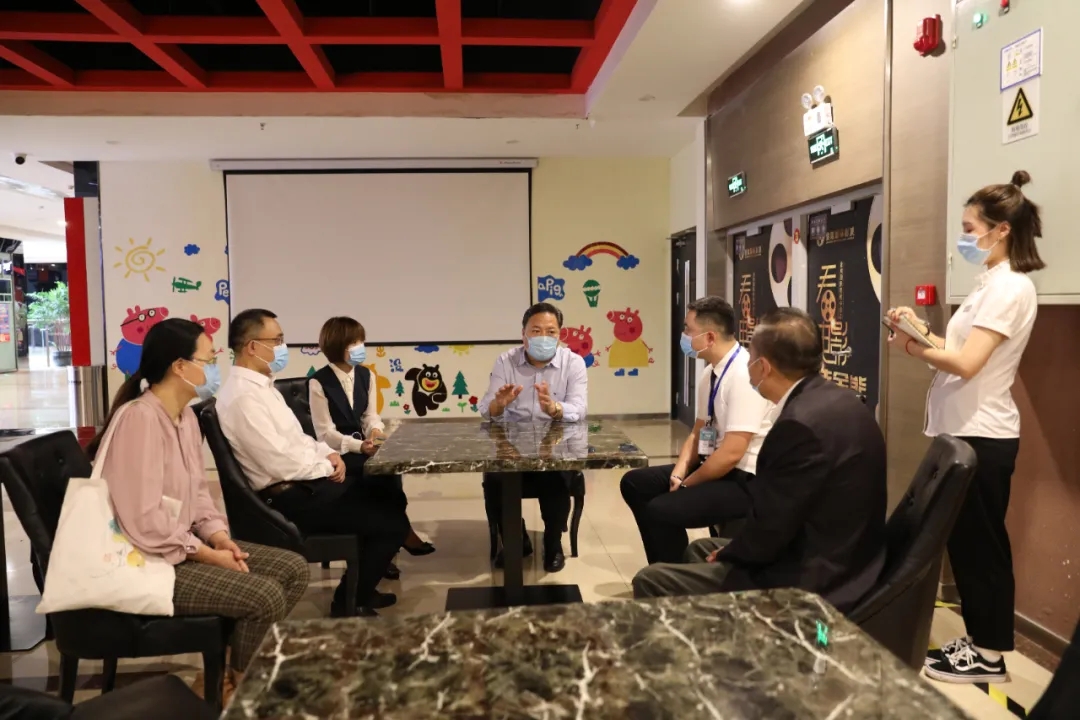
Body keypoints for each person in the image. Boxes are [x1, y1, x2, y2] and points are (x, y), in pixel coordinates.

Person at [85, 318, 309, 701]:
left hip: (175, 547)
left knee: (293, 569)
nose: (213, 369)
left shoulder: (186, 417)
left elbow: (198, 495)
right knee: (265, 596)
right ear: (179, 366)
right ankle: (238, 685)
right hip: (144, 560)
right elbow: (145, 521)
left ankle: (223, 673)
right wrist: (206, 554)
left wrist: (219, 538)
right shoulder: (140, 420)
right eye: (207, 360)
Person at [888, 171, 1043, 684]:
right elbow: (955, 350)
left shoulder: (1011, 288)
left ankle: (990, 655)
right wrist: (918, 330)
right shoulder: (990, 285)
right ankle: (979, 641)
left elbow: (968, 363)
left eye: (969, 228)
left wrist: (914, 349)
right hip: (963, 430)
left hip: (984, 434)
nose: (963, 238)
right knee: (965, 541)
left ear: (1001, 230)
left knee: (981, 547)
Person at [632, 308, 887, 615]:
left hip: (815, 576)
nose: (747, 363)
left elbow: (771, 527)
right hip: (845, 553)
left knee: (652, 580)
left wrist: (732, 554)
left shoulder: (798, 426)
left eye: (751, 356)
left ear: (763, 366)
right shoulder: (838, 400)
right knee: (700, 549)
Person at [215, 309, 407, 617]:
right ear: (252, 346)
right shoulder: (243, 397)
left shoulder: (262, 388)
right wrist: (329, 465)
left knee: (388, 495)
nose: (282, 347)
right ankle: (348, 601)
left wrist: (327, 454)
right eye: (277, 340)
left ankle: (359, 591)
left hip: (304, 483)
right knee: (391, 523)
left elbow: (299, 439)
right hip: (289, 498)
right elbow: (278, 462)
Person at [620, 296, 773, 564]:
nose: (684, 336)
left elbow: (732, 453)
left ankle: (676, 574)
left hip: (744, 478)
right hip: (714, 464)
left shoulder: (743, 374)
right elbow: (698, 430)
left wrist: (688, 484)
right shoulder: (710, 373)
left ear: (710, 337)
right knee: (635, 483)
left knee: (660, 509)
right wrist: (679, 471)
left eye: (688, 330)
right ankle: (672, 569)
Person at [308, 316, 435, 581]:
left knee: (389, 472)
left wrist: (375, 432)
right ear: (339, 345)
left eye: (361, 341)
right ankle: (398, 537)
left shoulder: (366, 375)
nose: (361, 347)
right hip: (340, 453)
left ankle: (388, 546)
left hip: (365, 447)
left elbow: (370, 416)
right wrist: (358, 446)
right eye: (355, 342)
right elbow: (325, 433)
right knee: (377, 480)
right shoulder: (318, 382)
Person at [477, 302, 588, 573]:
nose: (543, 337)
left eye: (551, 331)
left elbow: (580, 408)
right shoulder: (506, 361)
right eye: (536, 331)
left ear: (560, 334)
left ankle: (553, 542)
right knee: (496, 480)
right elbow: (486, 409)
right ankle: (516, 540)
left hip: (555, 441)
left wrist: (555, 408)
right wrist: (499, 404)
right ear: (523, 334)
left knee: (555, 476)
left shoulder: (573, 363)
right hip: (512, 442)